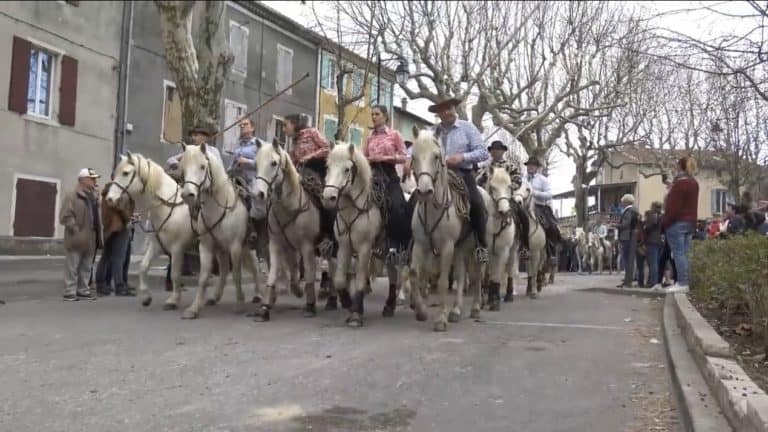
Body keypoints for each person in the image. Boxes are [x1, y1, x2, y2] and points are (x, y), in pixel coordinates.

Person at [428, 97, 490, 261]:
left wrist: (462, 157)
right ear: (438, 114)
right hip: (436, 175)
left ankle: (480, 245)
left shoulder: (467, 128)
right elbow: (416, 149)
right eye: (442, 110)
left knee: (477, 203)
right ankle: (412, 244)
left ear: (455, 109)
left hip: (462, 172)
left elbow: (483, 152)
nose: (446, 112)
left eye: (449, 108)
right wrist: (407, 158)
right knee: (415, 199)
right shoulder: (432, 131)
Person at [363, 105, 411, 254]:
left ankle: (397, 244)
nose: (373, 117)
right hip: (371, 173)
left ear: (385, 116)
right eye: (372, 114)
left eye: (377, 114)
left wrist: (386, 158)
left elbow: (404, 156)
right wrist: (367, 159)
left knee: (397, 207)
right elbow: (363, 156)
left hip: (389, 174)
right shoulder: (369, 137)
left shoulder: (394, 134)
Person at [284, 113, 334, 246]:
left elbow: (327, 148)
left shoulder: (312, 132)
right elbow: (294, 159)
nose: (284, 129)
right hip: (301, 171)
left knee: (321, 197)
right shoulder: (294, 141)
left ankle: (328, 234)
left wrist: (310, 156)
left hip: (317, 169)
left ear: (294, 124)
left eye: (285, 125)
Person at [59, 168, 103, 301]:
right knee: (73, 265)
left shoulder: (93, 196)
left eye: (95, 178)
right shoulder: (72, 195)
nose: (95, 181)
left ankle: (83, 290)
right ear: (83, 180)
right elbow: (65, 215)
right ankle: (69, 291)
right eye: (92, 178)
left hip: (92, 236)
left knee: (87, 265)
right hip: (77, 236)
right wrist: (74, 228)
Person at [661, 156, 700, 293]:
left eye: (676, 166)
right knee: (686, 253)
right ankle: (687, 281)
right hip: (690, 222)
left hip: (676, 223)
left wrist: (665, 222)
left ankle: (683, 283)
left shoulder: (679, 184)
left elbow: (673, 207)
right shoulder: (694, 183)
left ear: (680, 167)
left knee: (678, 253)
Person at [95, 180, 135, 296]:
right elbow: (120, 206)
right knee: (118, 258)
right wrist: (128, 218)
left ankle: (101, 285)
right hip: (118, 227)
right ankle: (119, 286)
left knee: (106, 257)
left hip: (109, 227)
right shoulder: (115, 190)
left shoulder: (107, 191)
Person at [523, 156, 562, 260]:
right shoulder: (522, 179)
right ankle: (521, 248)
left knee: (551, 226)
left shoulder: (543, 180)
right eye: (528, 165)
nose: (530, 167)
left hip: (540, 206)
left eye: (533, 165)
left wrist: (534, 193)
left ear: (537, 167)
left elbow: (549, 194)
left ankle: (551, 252)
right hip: (524, 205)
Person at [616, 194, 639, 288]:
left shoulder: (628, 211)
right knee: (629, 260)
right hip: (632, 236)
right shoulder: (634, 210)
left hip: (627, 237)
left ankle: (627, 282)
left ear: (626, 202)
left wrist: (615, 225)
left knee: (627, 260)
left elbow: (626, 224)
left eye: (622, 201)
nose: (621, 203)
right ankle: (627, 281)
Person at [643, 201, 663, 289]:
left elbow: (649, 227)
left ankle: (653, 282)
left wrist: (645, 226)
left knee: (652, 263)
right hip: (660, 241)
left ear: (653, 206)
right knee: (657, 262)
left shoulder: (652, 214)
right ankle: (657, 281)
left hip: (651, 240)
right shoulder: (662, 215)